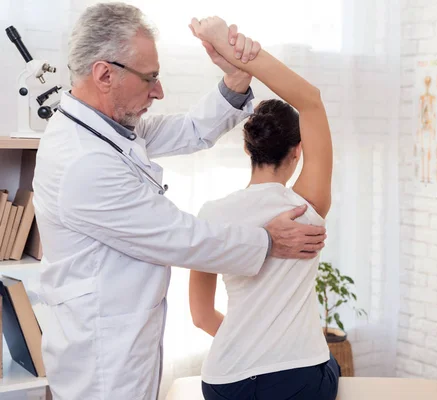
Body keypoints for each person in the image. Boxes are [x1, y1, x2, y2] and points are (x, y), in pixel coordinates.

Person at [32, 3, 326, 400]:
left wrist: (236, 76)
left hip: (202, 367)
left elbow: (190, 129)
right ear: (104, 75)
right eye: (150, 78)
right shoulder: (83, 162)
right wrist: (270, 241)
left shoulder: (110, 130)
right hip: (103, 357)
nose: (159, 90)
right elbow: (181, 238)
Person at [188, 16, 340, 400]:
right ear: (297, 151)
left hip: (223, 380)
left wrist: (248, 345)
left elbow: (202, 316)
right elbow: (310, 100)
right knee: (330, 364)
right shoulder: (306, 205)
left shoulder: (211, 215)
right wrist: (237, 50)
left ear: (247, 148)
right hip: (297, 377)